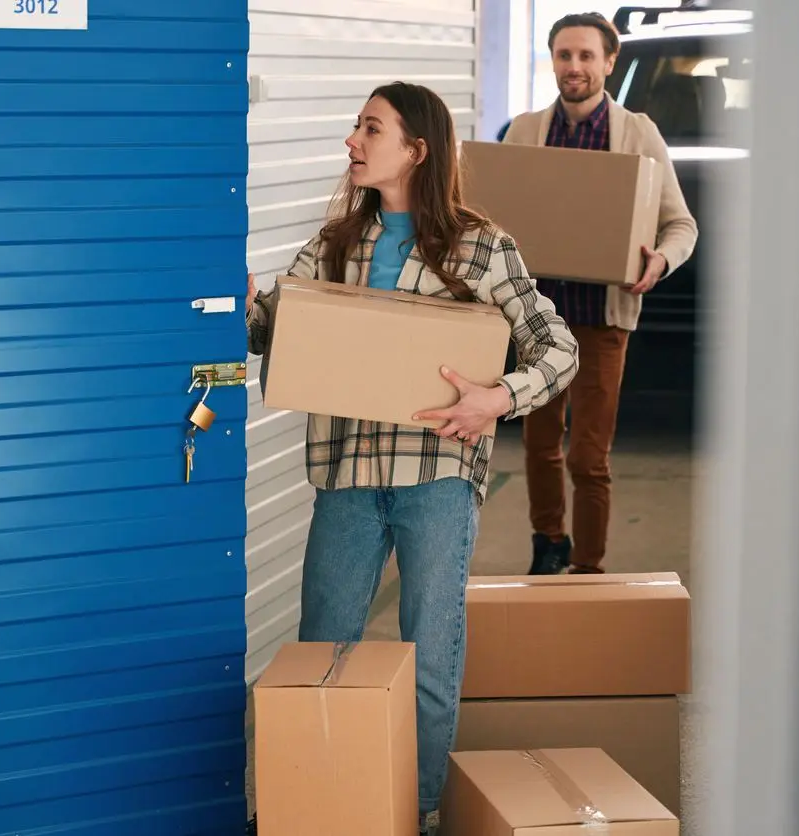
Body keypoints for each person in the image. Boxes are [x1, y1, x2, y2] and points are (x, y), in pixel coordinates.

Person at [244, 82, 578, 835]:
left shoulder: (483, 247)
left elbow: (559, 350)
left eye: (370, 128)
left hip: (436, 479)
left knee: (429, 658)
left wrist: (498, 398)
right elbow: (276, 328)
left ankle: (418, 810)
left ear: (416, 149)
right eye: (357, 127)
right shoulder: (335, 244)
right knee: (323, 650)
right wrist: (246, 304)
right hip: (348, 478)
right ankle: (321, 804)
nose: (351, 142)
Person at [502, 12, 699, 575]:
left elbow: (680, 225)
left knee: (588, 458)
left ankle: (588, 569)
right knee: (539, 448)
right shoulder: (525, 132)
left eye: (587, 56)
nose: (575, 67)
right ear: (553, 60)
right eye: (565, 55)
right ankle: (549, 543)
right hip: (538, 322)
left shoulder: (638, 135)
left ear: (609, 63)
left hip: (602, 321)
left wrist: (661, 260)